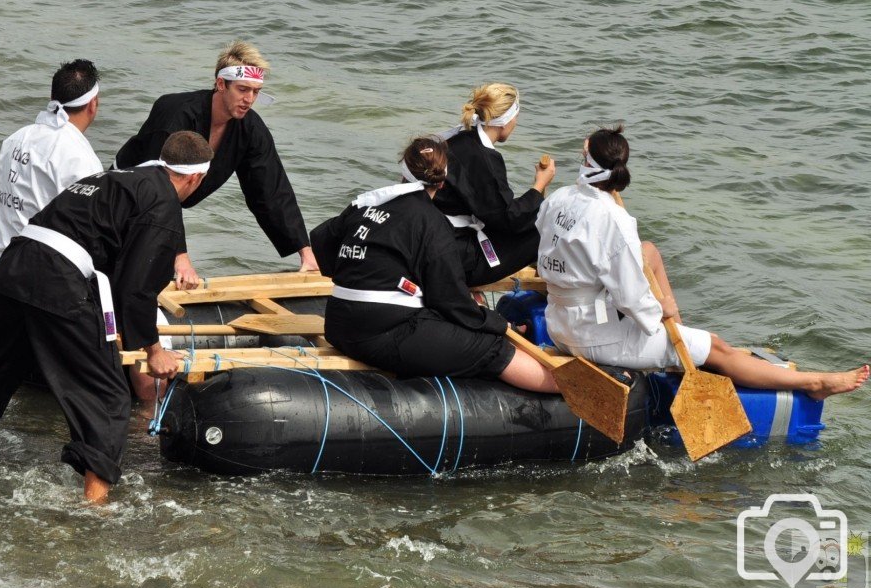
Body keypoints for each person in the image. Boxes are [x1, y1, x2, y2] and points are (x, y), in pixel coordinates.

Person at [0, 132, 214, 503]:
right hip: (57, 277)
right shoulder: (163, 202)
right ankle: (95, 508)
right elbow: (136, 288)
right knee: (108, 395)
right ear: (195, 178)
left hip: (15, 266)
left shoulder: (113, 178)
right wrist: (153, 350)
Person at [535, 125, 869, 399]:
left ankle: (680, 340)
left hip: (560, 321)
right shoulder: (613, 218)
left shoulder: (560, 199)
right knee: (718, 347)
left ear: (585, 156)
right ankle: (814, 384)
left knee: (648, 251)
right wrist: (659, 309)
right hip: (591, 336)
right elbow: (632, 301)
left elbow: (553, 253)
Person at [311, 136, 559, 394]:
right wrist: (496, 323)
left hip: (338, 322)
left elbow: (320, 239)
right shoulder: (432, 221)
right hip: (382, 333)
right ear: (442, 181)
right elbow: (448, 299)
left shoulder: (368, 203)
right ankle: (565, 390)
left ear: (403, 170)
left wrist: (354, 273)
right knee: (491, 347)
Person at [113, 40, 317, 286]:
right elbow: (159, 187)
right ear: (221, 84)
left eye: (256, 91)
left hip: (165, 206)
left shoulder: (250, 129)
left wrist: (304, 252)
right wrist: (181, 256)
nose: (249, 99)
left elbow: (271, 192)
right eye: (242, 89)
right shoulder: (176, 114)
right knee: (135, 270)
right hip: (125, 197)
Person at [433, 83, 556, 286]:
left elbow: (491, 210)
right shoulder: (484, 159)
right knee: (545, 229)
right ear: (505, 121)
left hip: (435, 235)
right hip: (453, 255)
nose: (516, 122)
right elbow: (509, 219)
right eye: (516, 117)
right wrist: (539, 185)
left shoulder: (457, 140)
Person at [0, 59, 103, 274]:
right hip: (47, 274)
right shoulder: (79, 155)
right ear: (93, 104)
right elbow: (93, 227)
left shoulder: (15, 139)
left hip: (3, 267)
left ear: (53, 98)